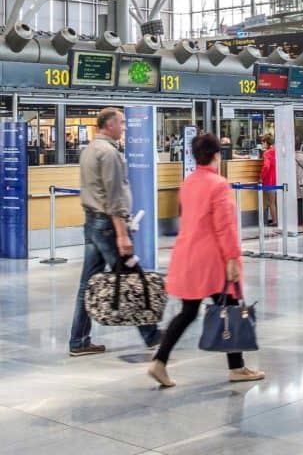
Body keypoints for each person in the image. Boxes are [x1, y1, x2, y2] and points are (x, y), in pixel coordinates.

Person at [148, 134, 265, 387]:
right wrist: (233, 258)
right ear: (216, 154)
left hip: (189, 256)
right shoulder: (219, 184)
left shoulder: (188, 183)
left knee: (188, 312)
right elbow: (225, 226)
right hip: (214, 261)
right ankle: (237, 367)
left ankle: (160, 361)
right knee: (231, 309)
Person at [69, 107, 161, 356]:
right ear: (109, 125)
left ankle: (78, 341)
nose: (125, 127)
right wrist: (121, 233)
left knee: (87, 284)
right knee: (132, 277)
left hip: (92, 222)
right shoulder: (109, 153)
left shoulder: (89, 150)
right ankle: (152, 335)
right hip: (109, 227)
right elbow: (114, 196)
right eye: (121, 122)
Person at [260, 134, 278, 226]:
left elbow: (266, 167)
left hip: (270, 180)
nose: (262, 145)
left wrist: (261, 177)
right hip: (278, 179)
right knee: (276, 201)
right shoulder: (276, 151)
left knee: (271, 202)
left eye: (262, 143)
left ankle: (275, 220)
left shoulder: (267, 153)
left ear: (266, 142)